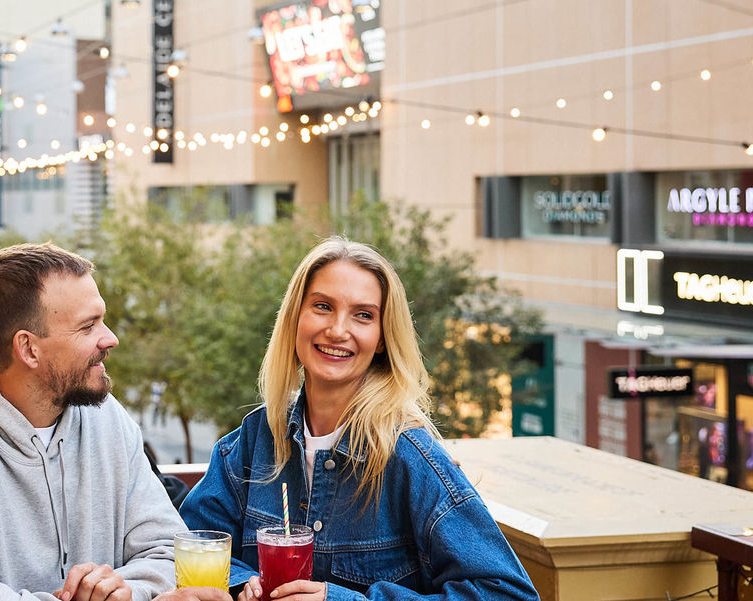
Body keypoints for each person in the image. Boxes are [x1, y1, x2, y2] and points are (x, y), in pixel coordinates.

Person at [179, 237, 539, 601]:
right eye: (322, 306)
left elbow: (508, 594)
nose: (338, 330)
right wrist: (243, 584)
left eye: (363, 315)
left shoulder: (409, 456)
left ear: (382, 338)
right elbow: (188, 544)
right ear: (295, 318)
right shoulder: (253, 440)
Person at [0, 243, 224, 601]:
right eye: (88, 326)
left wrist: (127, 591)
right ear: (29, 349)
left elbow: (167, 553)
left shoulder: (108, 418)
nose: (110, 338)